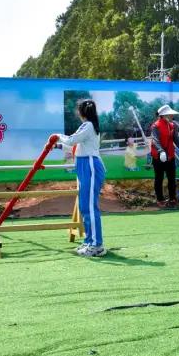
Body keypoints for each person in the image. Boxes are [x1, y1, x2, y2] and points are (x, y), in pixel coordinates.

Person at [56, 99, 107, 257]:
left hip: (90, 166)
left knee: (90, 206)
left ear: (81, 112)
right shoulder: (88, 126)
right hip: (84, 165)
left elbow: (72, 140)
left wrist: (57, 136)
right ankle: (89, 241)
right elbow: (76, 146)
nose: (77, 112)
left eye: (78, 109)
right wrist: (58, 145)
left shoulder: (88, 125)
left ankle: (97, 245)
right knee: (84, 206)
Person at [150, 104, 179, 208]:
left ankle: (172, 199)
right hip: (158, 157)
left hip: (170, 156)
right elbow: (155, 140)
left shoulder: (172, 125)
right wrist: (161, 151)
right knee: (159, 179)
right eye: (170, 114)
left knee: (172, 179)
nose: (172, 116)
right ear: (164, 115)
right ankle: (160, 199)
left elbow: (177, 139)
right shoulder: (155, 126)